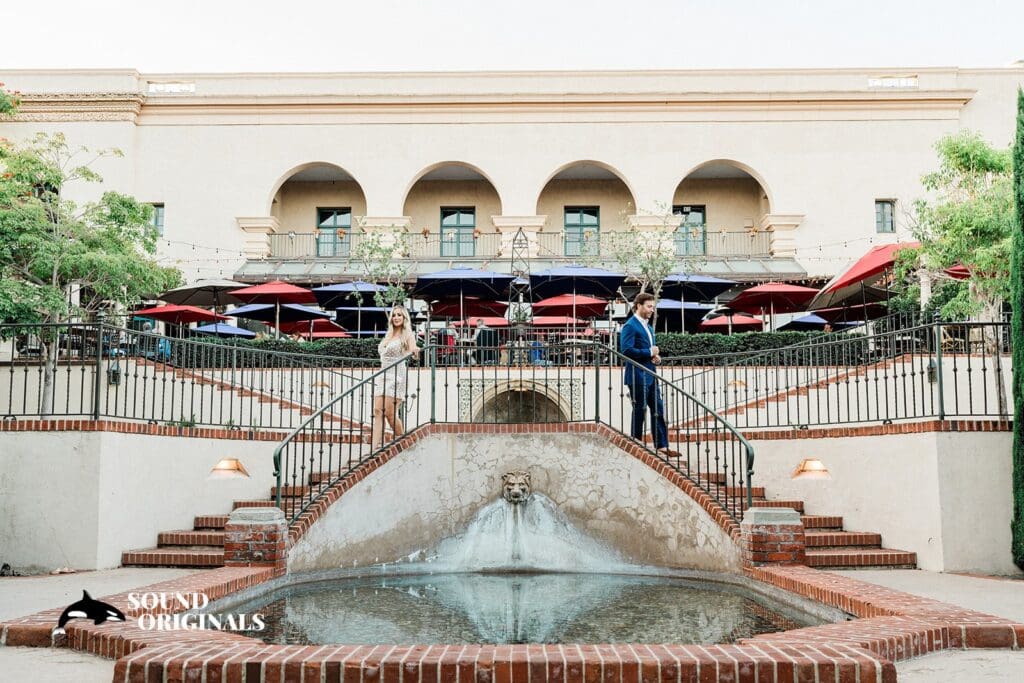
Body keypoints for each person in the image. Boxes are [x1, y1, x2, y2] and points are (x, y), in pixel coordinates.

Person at [619, 293, 670, 453]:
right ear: (639, 305)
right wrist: (648, 352)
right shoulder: (630, 325)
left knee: (658, 409)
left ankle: (661, 446)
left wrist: (655, 357)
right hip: (636, 375)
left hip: (651, 374)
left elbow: (649, 352)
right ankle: (636, 442)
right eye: (649, 306)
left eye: (653, 307)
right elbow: (626, 351)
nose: (652, 310)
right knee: (640, 409)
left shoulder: (648, 327)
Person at [371, 305, 419, 449]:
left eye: (399, 315)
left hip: (397, 376)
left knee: (390, 414)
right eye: (394, 315)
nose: (396, 317)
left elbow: (414, 351)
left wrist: (416, 351)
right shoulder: (388, 335)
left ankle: (402, 441)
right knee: (377, 411)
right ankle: (373, 449)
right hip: (383, 375)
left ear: (405, 318)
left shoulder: (408, 335)